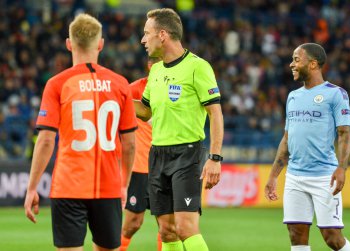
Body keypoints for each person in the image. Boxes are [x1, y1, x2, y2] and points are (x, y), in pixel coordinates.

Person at [24, 13, 137, 251]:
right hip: (108, 185)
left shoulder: (57, 83)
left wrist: (32, 187)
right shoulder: (120, 84)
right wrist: (124, 185)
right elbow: (129, 144)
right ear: (101, 44)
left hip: (68, 186)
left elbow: (46, 140)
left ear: (69, 44)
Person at [134, 8, 224, 251]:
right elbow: (144, 111)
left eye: (146, 33)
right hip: (157, 154)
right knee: (167, 231)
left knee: (185, 228)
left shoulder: (198, 67)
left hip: (187, 155)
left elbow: (215, 113)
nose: (143, 40)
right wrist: (116, 98)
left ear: (162, 35)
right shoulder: (157, 70)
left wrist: (215, 158)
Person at [265, 43, 350, 251]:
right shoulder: (293, 96)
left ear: (313, 64)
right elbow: (287, 139)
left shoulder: (336, 94)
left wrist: (341, 168)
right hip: (295, 177)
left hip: (324, 176)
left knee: (332, 237)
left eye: (296, 60)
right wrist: (273, 175)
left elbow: (344, 134)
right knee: (296, 235)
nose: (291, 65)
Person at [120, 57, 162, 251]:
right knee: (132, 224)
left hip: (166, 167)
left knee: (168, 227)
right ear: (149, 65)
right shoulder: (134, 89)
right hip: (139, 168)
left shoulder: (177, 89)